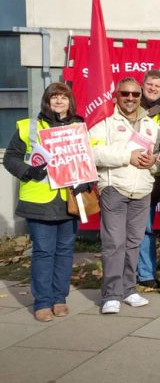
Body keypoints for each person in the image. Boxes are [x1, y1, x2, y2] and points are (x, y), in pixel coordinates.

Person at [3, 82, 84, 322]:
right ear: (46, 101)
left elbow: (86, 160)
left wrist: (86, 182)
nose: (59, 101)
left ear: (70, 102)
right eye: (54, 97)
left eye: (64, 97)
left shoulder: (79, 126)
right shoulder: (27, 127)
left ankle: (60, 299)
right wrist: (29, 171)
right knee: (43, 252)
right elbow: (10, 159)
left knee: (65, 252)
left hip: (68, 200)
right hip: (39, 201)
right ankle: (43, 302)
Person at [90, 77, 160, 314]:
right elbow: (92, 153)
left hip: (142, 191)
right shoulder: (105, 125)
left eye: (135, 94)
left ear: (141, 96)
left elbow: (158, 160)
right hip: (114, 189)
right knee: (114, 243)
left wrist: (153, 162)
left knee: (133, 244)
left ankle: (129, 289)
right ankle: (111, 294)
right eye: (125, 94)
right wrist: (126, 156)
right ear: (116, 96)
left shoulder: (152, 126)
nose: (130, 98)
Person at [137, 69, 160, 289]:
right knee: (139, 228)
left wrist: (156, 161)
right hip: (132, 175)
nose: (153, 89)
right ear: (143, 85)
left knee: (147, 228)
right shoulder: (128, 106)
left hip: (156, 177)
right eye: (150, 84)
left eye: (157, 86)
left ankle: (146, 272)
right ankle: (139, 273)